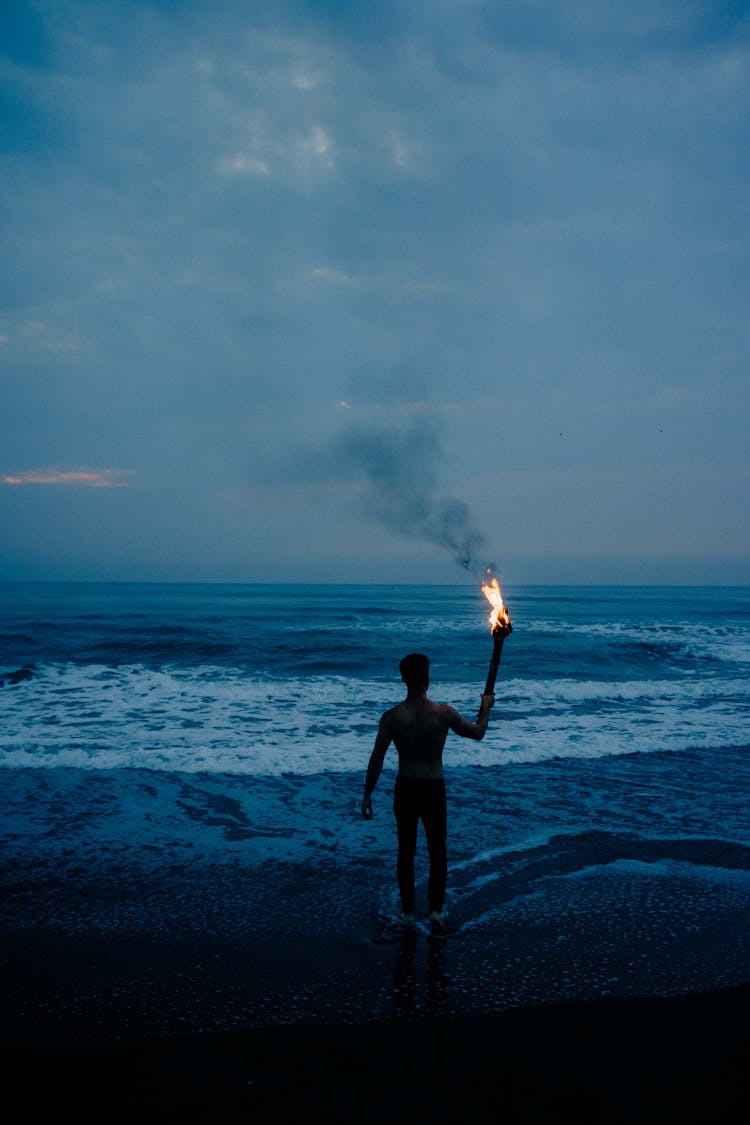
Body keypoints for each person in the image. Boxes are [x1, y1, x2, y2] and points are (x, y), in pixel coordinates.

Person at [361, 650, 500, 936]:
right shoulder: (444, 714)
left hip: (406, 787)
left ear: (403, 679)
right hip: (434, 788)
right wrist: (485, 707)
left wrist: (367, 794)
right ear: (427, 678)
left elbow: (377, 758)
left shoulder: (391, 717)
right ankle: (436, 911)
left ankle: (409, 911)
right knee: (438, 851)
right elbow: (478, 733)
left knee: (406, 851)